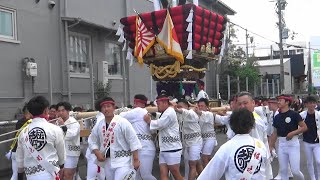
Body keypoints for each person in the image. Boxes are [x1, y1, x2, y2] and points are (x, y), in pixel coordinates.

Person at [198, 108, 267, 179]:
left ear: (231, 125)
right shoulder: (260, 145)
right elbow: (265, 169)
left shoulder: (227, 147)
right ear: (252, 125)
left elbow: (209, 175)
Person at [88, 97, 141, 180]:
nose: (106, 109)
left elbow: (133, 140)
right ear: (101, 109)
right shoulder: (99, 124)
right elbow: (92, 140)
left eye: (108, 106)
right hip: (108, 161)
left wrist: (136, 159)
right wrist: (96, 152)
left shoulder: (123, 122)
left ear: (113, 107)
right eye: (104, 107)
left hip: (123, 161)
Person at [16, 96, 65, 180]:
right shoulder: (55, 129)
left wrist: (20, 175)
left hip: (31, 175)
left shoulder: (23, 132)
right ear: (46, 110)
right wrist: (62, 166)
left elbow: (19, 158)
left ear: (30, 113)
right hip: (51, 173)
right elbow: (61, 154)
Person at [144, 94, 184, 180]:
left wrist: (149, 121)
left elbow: (160, 124)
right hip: (164, 148)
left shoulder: (169, 112)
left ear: (165, 103)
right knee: (163, 173)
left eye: (158, 104)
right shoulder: (165, 112)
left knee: (175, 172)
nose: (157, 106)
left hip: (172, 147)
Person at [269, 95, 307, 180]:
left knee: (295, 171)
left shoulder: (294, 114)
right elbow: (275, 133)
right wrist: (270, 146)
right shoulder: (277, 116)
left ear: (287, 102)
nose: (278, 102)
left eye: (280, 100)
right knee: (283, 170)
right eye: (278, 100)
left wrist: (293, 133)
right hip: (282, 144)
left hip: (293, 144)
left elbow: (304, 127)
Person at [119, 94, 157, 180]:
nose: (134, 105)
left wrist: (123, 110)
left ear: (142, 105)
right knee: (137, 176)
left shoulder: (139, 111)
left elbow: (121, 116)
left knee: (145, 175)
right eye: (134, 103)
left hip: (145, 148)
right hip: (138, 148)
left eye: (136, 103)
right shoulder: (144, 113)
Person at [174, 98, 202, 180]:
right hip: (186, 143)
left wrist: (177, 109)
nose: (179, 108)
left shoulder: (191, 113)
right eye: (178, 106)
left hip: (196, 142)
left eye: (181, 106)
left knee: (192, 164)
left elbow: (185, 111)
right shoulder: (179, 115)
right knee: (194, 164)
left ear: (186, 106)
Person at [56, 102, 81, 180]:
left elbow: (71, 135)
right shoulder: (57, 122)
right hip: (60, 152)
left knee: (68, 175)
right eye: (59, 111)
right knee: (60, 175)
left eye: (63, 110)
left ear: (68, 111)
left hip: (71, 152)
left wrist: (63, 125)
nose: (60, 113)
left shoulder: (74, 122)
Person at [8, 104, 32, 180]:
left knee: (15, 175)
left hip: (14, 150)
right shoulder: (29, 122)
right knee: (30, 174)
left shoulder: (20, 121)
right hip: (22, 152)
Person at [300, 95, 320, 180]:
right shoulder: (302, 115)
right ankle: (313, 178)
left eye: (313, 103)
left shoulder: (318, 114)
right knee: (309, 162)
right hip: (307, 141)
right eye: (310, 103)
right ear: (306, 104)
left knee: (319, 161)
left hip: (317, 142)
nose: (312, 105)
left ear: (316, 104)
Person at [85, 100, 106, 180]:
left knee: (97, 176)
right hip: (96, 151)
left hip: (96, 151)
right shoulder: (101, 119)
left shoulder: (97, 117)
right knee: (95, 176)